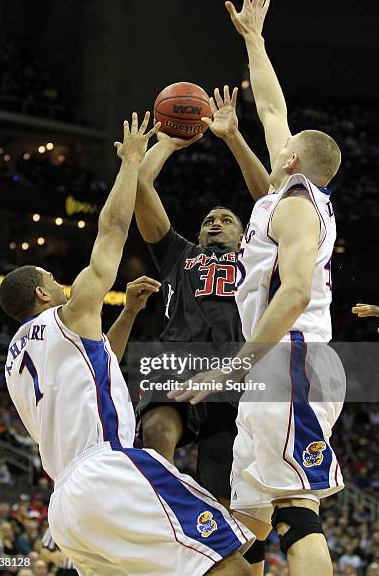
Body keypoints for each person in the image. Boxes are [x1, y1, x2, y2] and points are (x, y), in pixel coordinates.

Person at [0, 112, 254, 576]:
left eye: (227, 218)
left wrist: (129, 313)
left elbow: (101, 365)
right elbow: (114, 228)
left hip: (69, 501)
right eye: (53, 280)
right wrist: (142, 156)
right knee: (226, 559)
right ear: (42, 294)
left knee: (226, 508)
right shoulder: (177, 255)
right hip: (120, 453)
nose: (61, 284)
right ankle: (165, 484)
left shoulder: (18, 358)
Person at [170, 0, 345, 576]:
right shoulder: (284, 192)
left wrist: (237, 362)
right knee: (242, 529)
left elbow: (295, 293)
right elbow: (272, 106)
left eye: (283, 146)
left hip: (290, 358)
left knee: (299, 510)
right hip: (270, 370)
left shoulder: (296, 205)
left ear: (292, 160)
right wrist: (255, 39)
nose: (278, 139)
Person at [135, 85, 269, 511]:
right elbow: (140, 186)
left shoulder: (259, 256)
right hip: (180, 360)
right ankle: (163, 507)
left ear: (243, 233)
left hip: (237, 372)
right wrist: (167, 143)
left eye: (226, 219)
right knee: (157, 429)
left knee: (225, 496)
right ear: (197, 233)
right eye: (209, 219)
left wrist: (233, 137)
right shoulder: (180, 254)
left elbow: (270, 199)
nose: (215, 222)